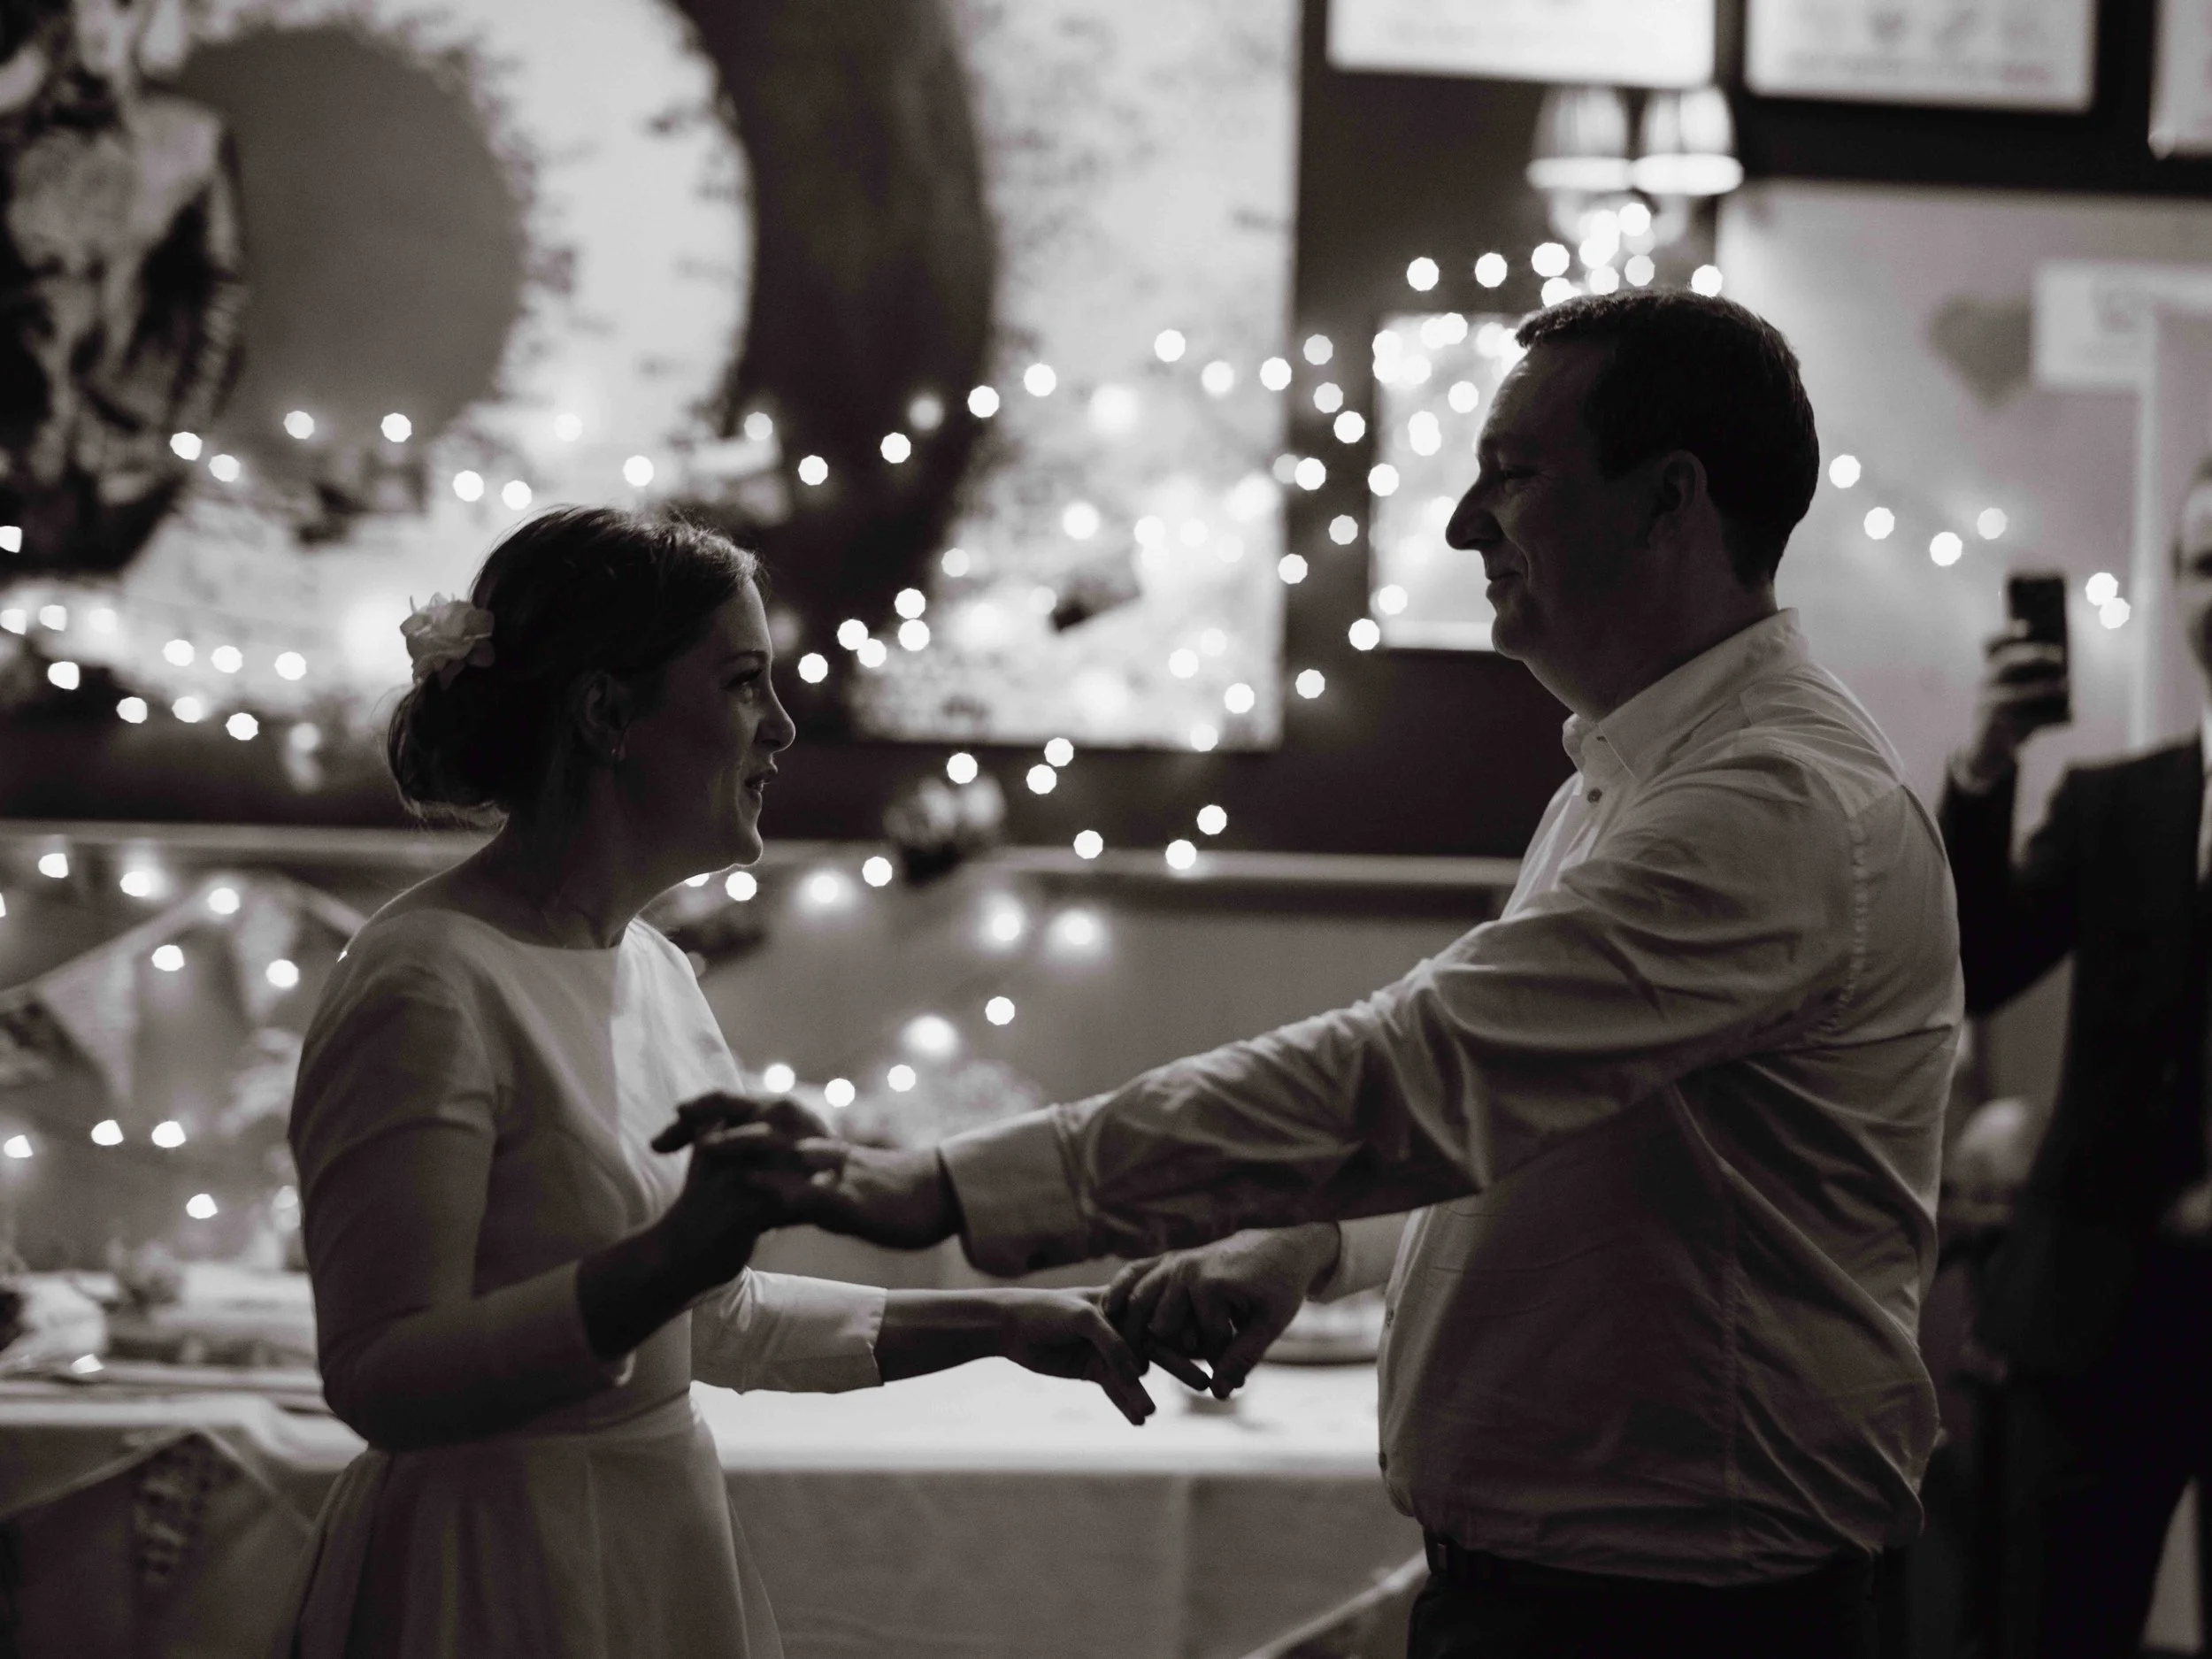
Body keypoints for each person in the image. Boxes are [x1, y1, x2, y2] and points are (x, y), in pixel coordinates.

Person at [738, 291, 1962, 1659]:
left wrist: (956, 1183)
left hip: (1682, 1613)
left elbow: (1419, 1069)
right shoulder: (1636, 769)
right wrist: (1315, 1241)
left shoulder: (1765, 802)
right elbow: (1550, 1113)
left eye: (1514, 474)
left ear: (1670, 499)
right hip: (1600, 1587)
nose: (1461, 523)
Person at [277, 506, 1155, 1659]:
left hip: (657, 1537)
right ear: (606, 713)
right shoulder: (426, 980)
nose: (785, 728)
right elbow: (381, 1375)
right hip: (487, 1571)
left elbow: (712, 1326)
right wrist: (673, 1251)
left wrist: (1005, 1320)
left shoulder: (654, 966)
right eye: (744, 682)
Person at [1938, 456, 2212, 1656]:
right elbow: (1975, 961)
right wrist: (1989, 759)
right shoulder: (2119, 804)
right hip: (2092, 1310)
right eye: (2207, 562)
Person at [0, 0, 247, 572]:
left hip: (110, 442)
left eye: (120, 6)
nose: (96, 25)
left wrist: (174, 434)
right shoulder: (18, 135)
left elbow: (221, 296)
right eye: (79, 6)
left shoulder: (190, 140)